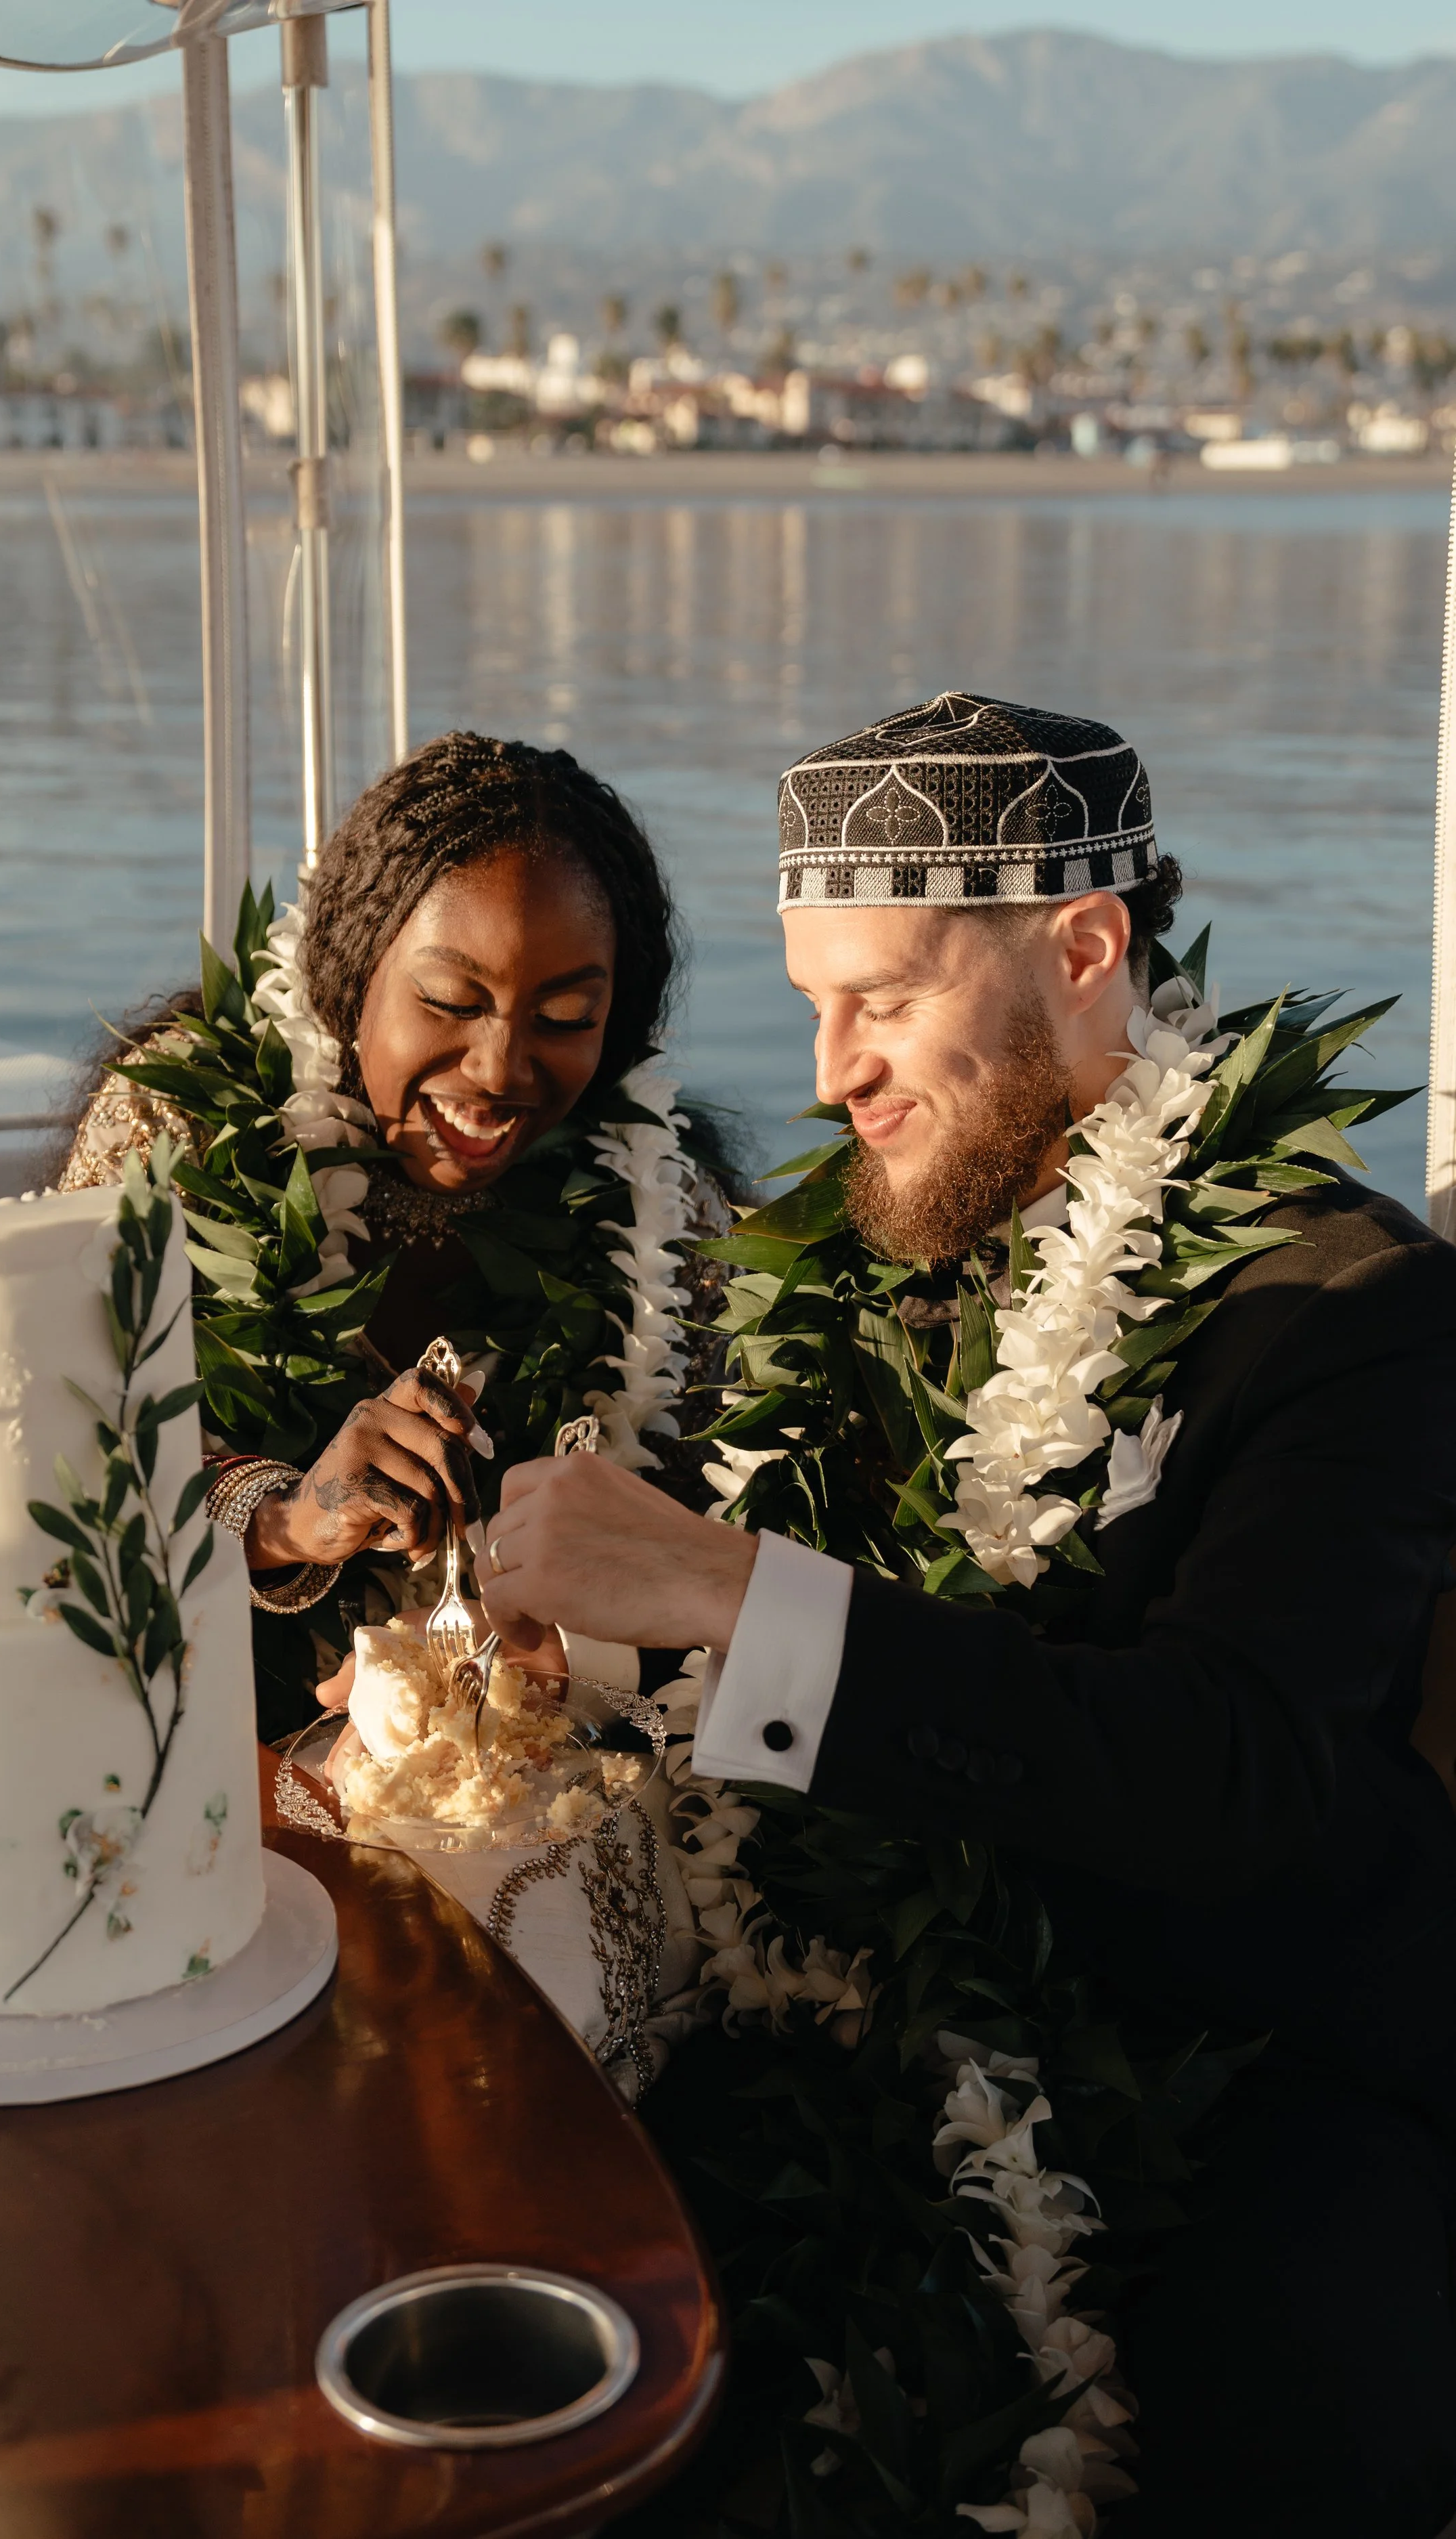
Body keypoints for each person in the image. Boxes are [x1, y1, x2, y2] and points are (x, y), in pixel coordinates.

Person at [480, 693, 1456, 2539]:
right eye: (811, 999)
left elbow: (1227, 1771)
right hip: (879, 1992)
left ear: (1084, 947)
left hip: (1239, 2048)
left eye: (887, 995)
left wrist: (721, 1582)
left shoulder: (1344, 1307)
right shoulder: (876, 1236)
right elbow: (775, 1612)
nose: (833, 1063)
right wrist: (602, 1630)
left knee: (1304, 2395)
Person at [53, 728, 738, 1739]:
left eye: (564, 1016)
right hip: (197, 1760)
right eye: (452, 1000)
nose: (502, 1068)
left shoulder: (666, 1209)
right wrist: (288, 1516)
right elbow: (60, 1463)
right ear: (348, 969)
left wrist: (568, 1650)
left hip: (523, 1784)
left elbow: (718, 1546)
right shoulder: (173, 1132)